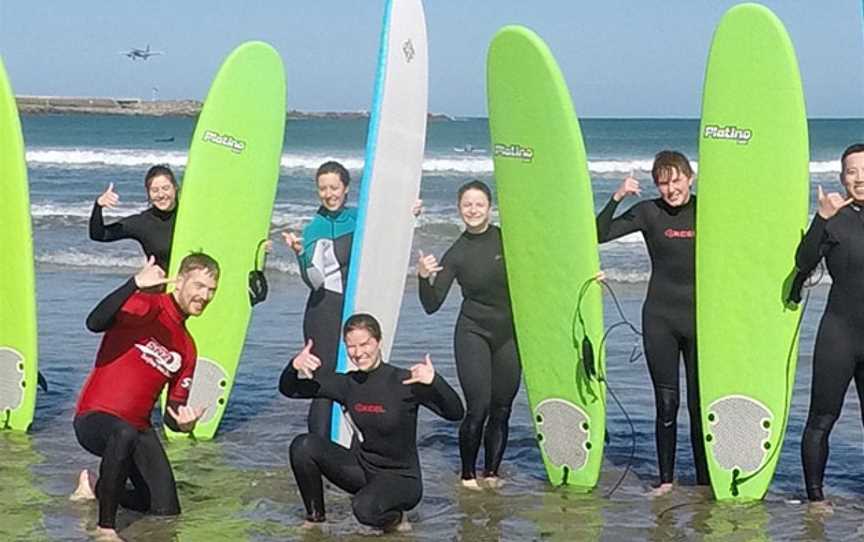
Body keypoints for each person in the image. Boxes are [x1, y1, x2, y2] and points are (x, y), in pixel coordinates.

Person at [70, 252, 219, 538]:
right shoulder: (145, 305)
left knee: (166, 511)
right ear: (180, 281)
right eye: (199, 286)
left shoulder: (187, 347)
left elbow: (172, 413)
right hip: (94, 416)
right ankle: (106, 529)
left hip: (138, 429)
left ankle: (96, 486)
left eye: (211, 290)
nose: (205, 295)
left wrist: (184, 423)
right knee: (123, 433)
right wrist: (133, 283)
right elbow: (94, 322)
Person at [280, 313, 464, 531]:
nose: (358, 353)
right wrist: (294, 366)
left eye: (364, 344)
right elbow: (289, 390)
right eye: (351, 346)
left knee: (363, 510)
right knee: (302, 446)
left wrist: (435, 382)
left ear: (378, 341)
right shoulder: (347, 383)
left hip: (402, 479)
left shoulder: (405, 381)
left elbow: (456, 413)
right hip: (362, 470)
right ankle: (315, 519)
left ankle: (396, 519)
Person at [595, 150, 708, 495]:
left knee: (699, 404)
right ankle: (666, 480)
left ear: (690, 177)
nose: (671, 189)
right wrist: (616, 197)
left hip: (701, 320)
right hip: (660, 319)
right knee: (667, 404)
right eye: (663, 182)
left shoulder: (708, 209)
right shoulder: (649, 212)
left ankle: (705, 480)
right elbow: (599, 234)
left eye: (676, 180)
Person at [282, 161, 422, 439]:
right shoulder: (314, 229)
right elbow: (315, 281)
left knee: (360, 374)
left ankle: (354, 443)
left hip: (358, 305)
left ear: (346, 188)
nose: (329, 193)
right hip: (325, 311)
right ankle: (319, 449)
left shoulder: (360, 217)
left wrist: (410, 213)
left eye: (334, 187)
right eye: (323, 188)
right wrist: (300, 253)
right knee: (325, 381)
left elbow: (388, 233)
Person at [414, 180, 520, 490]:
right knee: (479, 407)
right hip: (472, 332)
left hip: (509, 334)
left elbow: (542, 266)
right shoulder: (456, 253)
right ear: (459, 210)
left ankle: (492, 473)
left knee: (502, 407)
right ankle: (467, 476)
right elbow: (431, 304)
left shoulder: (508, 240)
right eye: (467, 205)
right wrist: (422, 277)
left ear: (490, 208)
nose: (473, 210)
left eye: (479, 204)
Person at [792, 143, 864, 510]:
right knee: (822, 417)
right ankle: (815, 498)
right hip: (839, 334)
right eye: (852, 171)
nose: (860, 178)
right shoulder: (834, 217)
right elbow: (803, 261)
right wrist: (820, 218)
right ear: (842, 178)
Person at [89, 165, 178, 270]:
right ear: (148, 193)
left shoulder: (189, 214)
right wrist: (98, 206)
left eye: (165, 188)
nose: (161, 194)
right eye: (154, 190)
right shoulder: (142, 223)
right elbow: (99, 235)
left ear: (175, 188)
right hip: (162, 284)